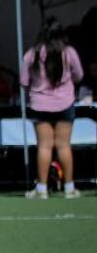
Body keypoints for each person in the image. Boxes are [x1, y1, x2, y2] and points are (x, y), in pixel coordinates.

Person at [21, 17, 84, 199]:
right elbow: (79, 75)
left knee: (44, 146)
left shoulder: (32, 54)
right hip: (64, 102)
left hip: (40, 104)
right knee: (64, 145)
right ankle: (69, 188)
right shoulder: (69, 52)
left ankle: (41, 189)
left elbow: (24, 81)